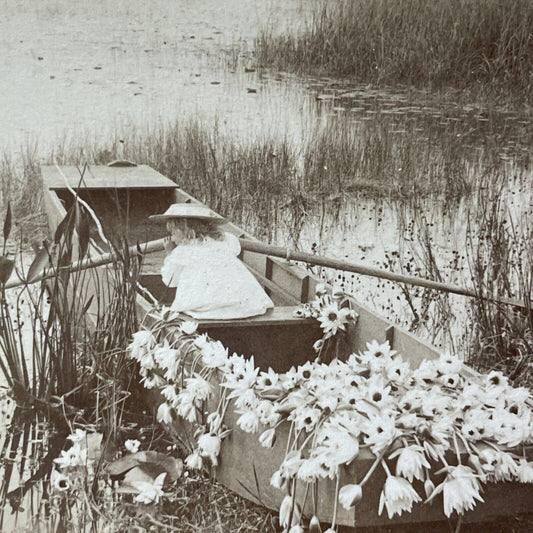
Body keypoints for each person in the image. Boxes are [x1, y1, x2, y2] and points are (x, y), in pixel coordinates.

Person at [149, 203, 274, 320]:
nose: (172, 238)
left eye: (173, 233)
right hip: (245, 305)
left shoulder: (182, 251)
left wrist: (170, 254)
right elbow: (235, 249)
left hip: (206, 308)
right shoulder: (224, 241)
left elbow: (170, 281)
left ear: (185, 231)